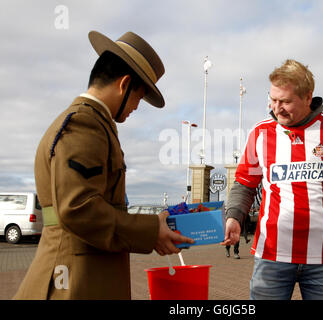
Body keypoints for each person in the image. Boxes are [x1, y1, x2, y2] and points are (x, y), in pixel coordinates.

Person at [14, 31, 194, 300]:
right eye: (139, 97)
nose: (136, 107)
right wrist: (150, 231)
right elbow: (77, 207)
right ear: (124, 84)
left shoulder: (91, 123)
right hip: (75, 280)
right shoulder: (84, 124)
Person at [221, 59, 323, 300]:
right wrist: (234, 216)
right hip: (271, 256)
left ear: (308, 97)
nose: (277, 107)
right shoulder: (259, 133)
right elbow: (244, 184)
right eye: (273, 99)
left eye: (285, 101)